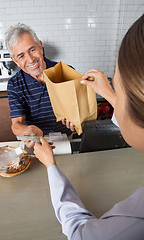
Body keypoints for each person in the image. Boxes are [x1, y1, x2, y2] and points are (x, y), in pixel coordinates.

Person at [33, 14, 144, 240]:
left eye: (118, 89)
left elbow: (79, 231)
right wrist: (111, 94)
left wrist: (50, 166)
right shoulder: (16, 84)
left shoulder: (135, 222)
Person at [5, 24, 75, 148]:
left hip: (67, 138)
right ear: (15, 60)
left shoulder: (66, 71)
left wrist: (77, 121)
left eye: (32, 50)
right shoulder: (14, 84)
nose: (31, 59)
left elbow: (79, 109)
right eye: (21, 56)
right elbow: (16, 124)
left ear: (40, 46)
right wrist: (26, 131)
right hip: (37, 142)